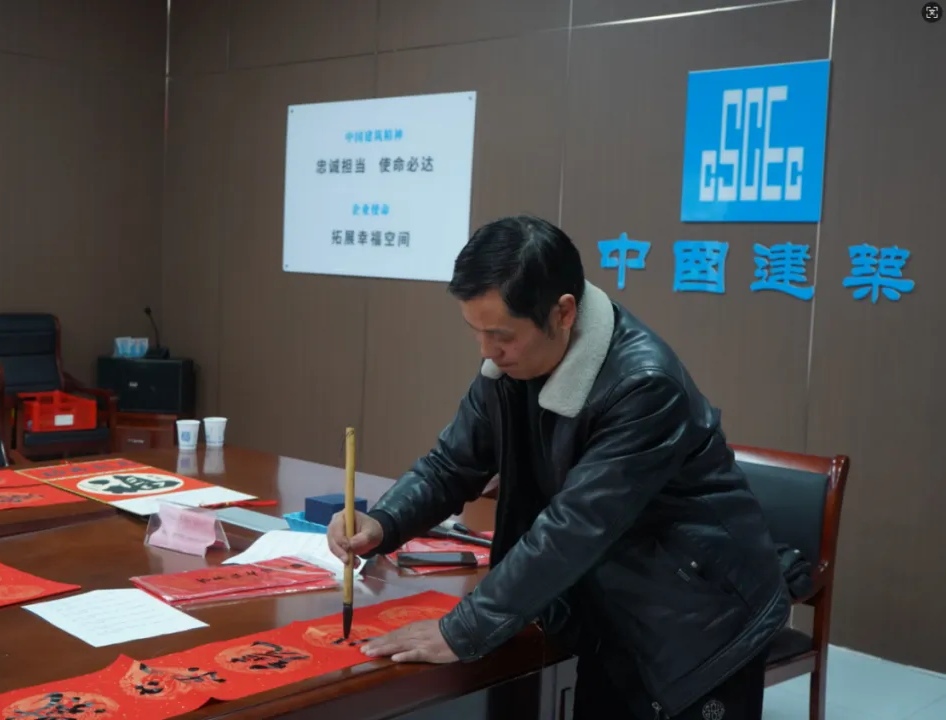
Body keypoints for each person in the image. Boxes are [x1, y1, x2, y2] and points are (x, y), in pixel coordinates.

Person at [326, 215, 789, 720]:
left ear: (564, 312)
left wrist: (463, 629)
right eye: (476, 332)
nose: (487, 351)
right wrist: (383, 522)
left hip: (694, 621)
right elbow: (451, 463)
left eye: (501, 335)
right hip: (606, 607)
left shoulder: (644, 385)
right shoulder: (507, 367)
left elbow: (575, 527)